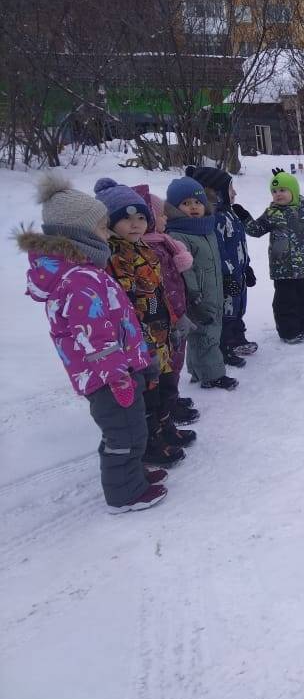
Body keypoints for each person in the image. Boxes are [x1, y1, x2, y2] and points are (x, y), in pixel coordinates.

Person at [17, 176, 166, 513]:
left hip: (118, 370)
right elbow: (95, 337)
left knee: (129, 429)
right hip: (110, 377)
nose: (108, 233)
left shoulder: (83, 270)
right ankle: (125, 494)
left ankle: (132, 475)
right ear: (79, 234)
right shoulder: (78, 280)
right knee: (123, 435)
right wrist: (118, 376)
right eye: (102, 228)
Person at [95, 179, 192, 466]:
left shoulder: (145, 250)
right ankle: (151, 442)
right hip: (136, 340)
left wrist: (173, 321)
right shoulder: (111, 256)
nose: (135, 224)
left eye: (140, 217)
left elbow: (159, 292)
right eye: (125, 218)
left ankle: (165, 429)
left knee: (162, 386)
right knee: (147, 394)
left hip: (159, 331)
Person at [235, 169, 304, 344]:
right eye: (274, 191)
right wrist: (245, 217)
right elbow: (256, 231)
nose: (278, 195)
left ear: (294, 191)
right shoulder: (272, 213)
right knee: (285, 301)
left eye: (283, 190)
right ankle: (289, 331)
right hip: (282, 268)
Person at [134, 185, 199, 426]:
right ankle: (168, 406)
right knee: (166, 364)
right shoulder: (151, 249)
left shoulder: (163, 242)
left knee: (175, 359)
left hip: (175, 312)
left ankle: (173, 398)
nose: (165, 218)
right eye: (161, 215)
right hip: (162, 318)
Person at [165, 176, 238, 390]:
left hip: (213, 291)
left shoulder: (206, 228)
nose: (194, 207)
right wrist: (193, 293)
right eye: (186, 203)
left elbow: (214, 260)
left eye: (197, 202)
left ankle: (198, 371)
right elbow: (184, 268)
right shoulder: (178, 234)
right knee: (205, 335)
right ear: (174, 208)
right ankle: (213, 375)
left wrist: (225, 279)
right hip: (197, 295)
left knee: (206, 333)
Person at [185, 166, 258, 366]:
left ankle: (237, 339)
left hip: (239, 272)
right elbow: (219, 250)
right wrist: (225, 276)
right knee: (226, 312)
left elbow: (239, 245)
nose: (234, 192)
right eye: (230, 188)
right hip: (224, 277)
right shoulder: (215, 219)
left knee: (238, 307)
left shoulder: (230, 214)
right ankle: (223, 348)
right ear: (215, 192)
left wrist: (247, 267)